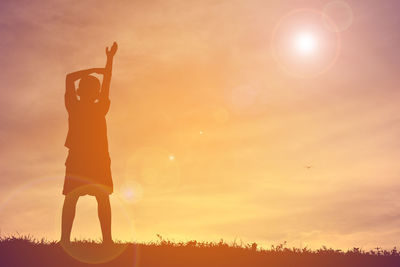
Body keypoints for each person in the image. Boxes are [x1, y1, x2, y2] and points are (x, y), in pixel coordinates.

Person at [60, 42, 118, 245]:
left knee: (101, 197)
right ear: (82, 90)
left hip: (98, 158)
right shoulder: (74, 106)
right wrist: (96, 69)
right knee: (72, 197)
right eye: (89, 87)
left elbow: (107, 81)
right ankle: (65, 240)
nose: (95, 90)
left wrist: (109, 61)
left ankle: (107, 240)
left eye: (95, 88)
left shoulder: (98, 106)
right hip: (79, 157)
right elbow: (69, 78)